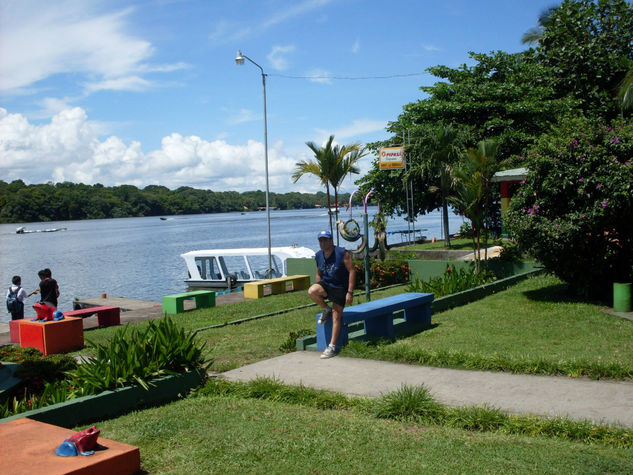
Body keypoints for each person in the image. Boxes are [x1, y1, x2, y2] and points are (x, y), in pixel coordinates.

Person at [308, 230, 356, 359]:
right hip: (327, 285)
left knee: (336, 316)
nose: (323, 243)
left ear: (331, 241)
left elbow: (352, 271)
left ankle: (332, 346)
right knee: (312, 291)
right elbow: (319, 272)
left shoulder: (342, 253)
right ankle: (326, 308)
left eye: (325, 240)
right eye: (320, 240)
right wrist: (320, 286)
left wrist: (350, 292)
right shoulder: (318, 255)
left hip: (340, 287)